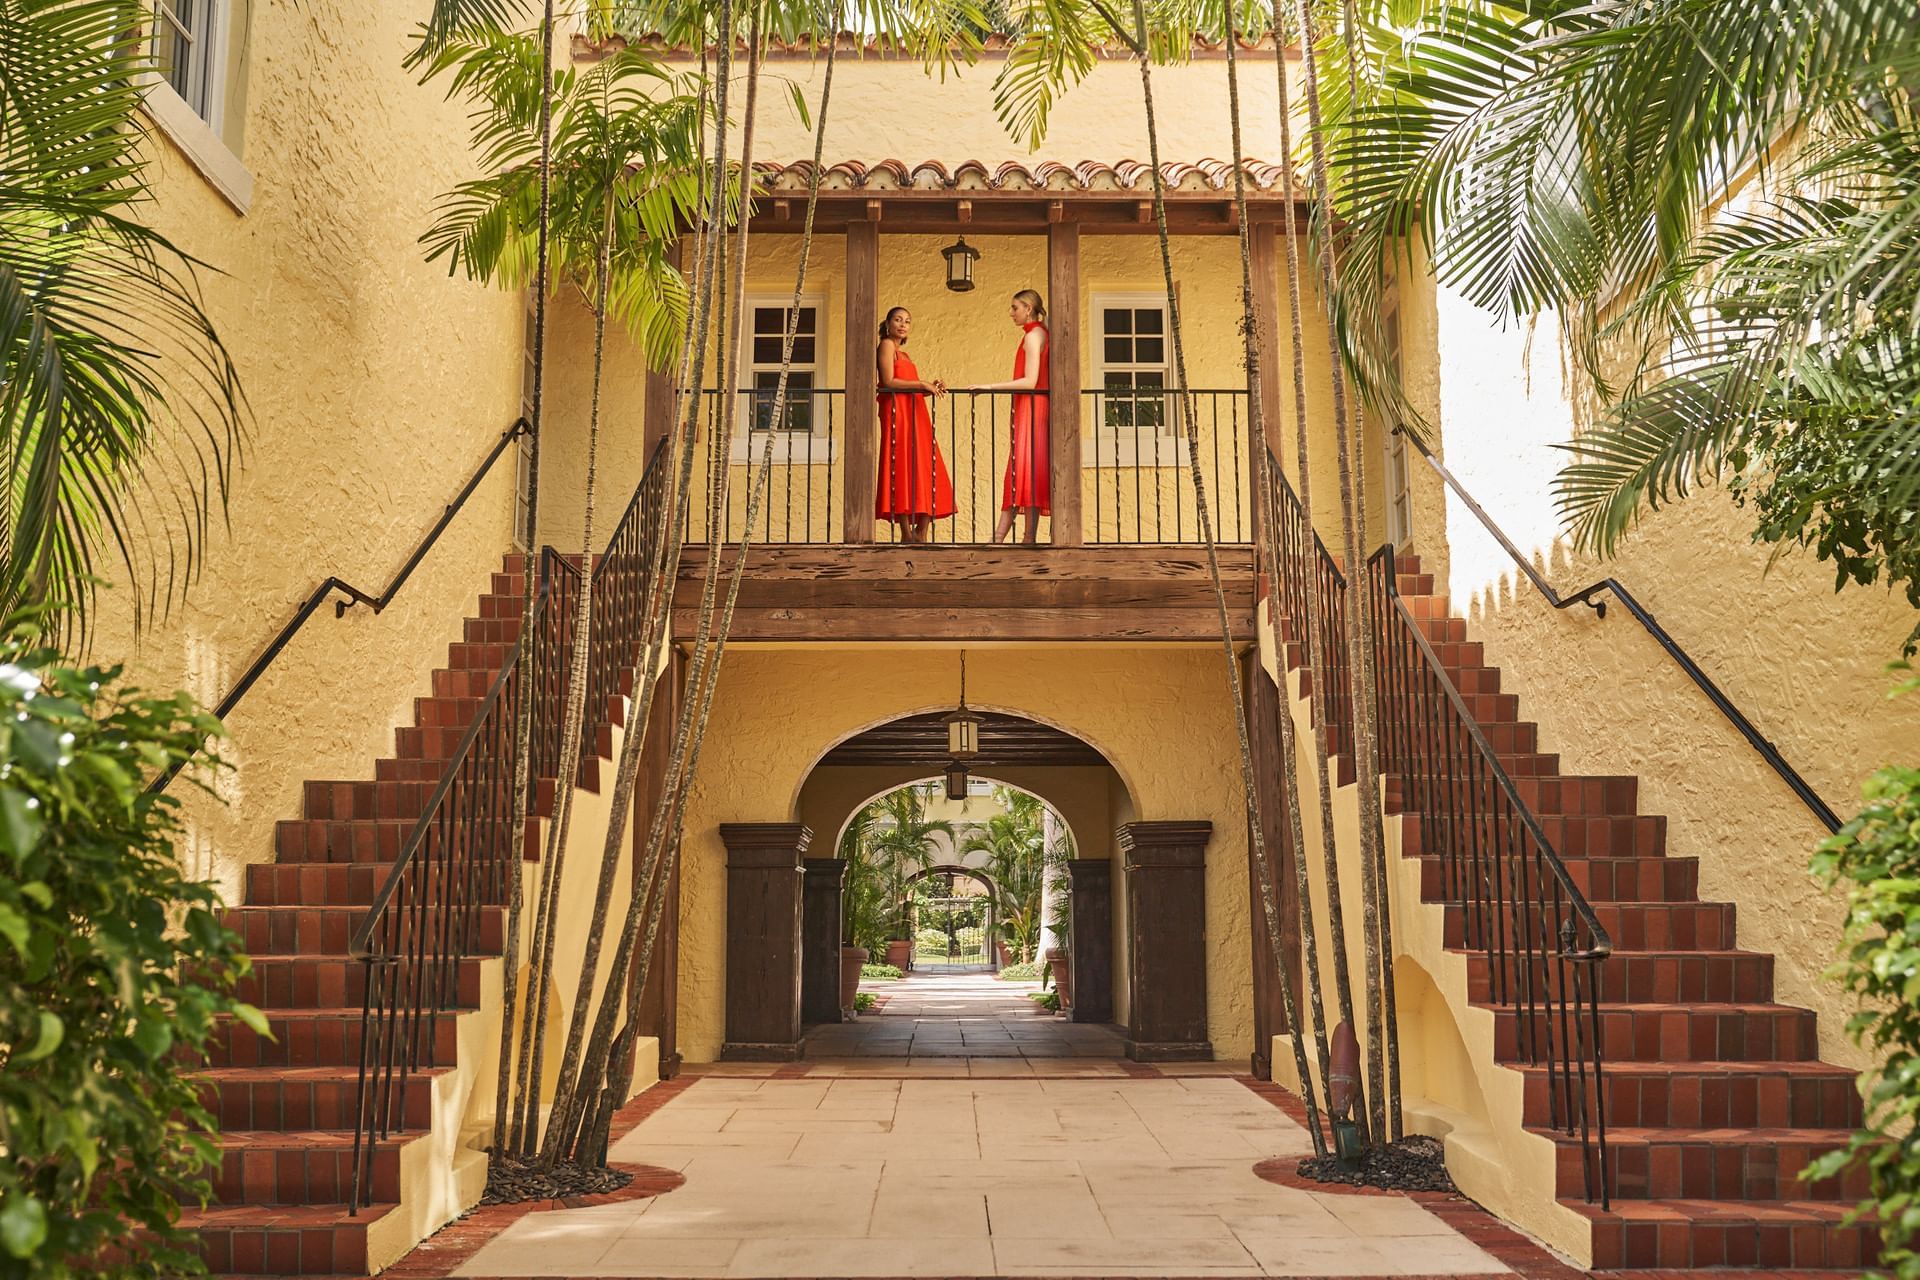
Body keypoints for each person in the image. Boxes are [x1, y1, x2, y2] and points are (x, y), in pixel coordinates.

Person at [968, 289, 1050, 544]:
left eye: (1015, 308)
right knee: (1030, 469)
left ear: (1028, 308)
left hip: (1032, 407)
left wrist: (988, 387)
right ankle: (1027, 538)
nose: (1011, 313)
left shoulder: (1033, 337)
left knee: (1020, 469)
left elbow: (1030, 381)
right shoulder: (1040, 334)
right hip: (1035, 407)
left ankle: (998, 538)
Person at [875, 306, 955, 543]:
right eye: (898, 320)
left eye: (907, 321)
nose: (902, 324)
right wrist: (922, 384)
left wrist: (931, 387)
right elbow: (888, 381)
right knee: (900, 464)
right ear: (888, 323)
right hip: (897, 412)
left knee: (924, 464)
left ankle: (921, 532)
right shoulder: (886, 345)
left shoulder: (905, 355)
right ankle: (907, 534)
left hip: (915, 411)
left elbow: (910, 387)